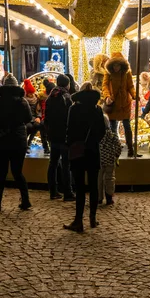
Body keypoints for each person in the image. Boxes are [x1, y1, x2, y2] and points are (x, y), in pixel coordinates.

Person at [64, 82, 106, 232]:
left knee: (80, 187)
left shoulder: (74, 109)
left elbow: (69, 129)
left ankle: (78, 220)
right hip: (93, 150)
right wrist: (93, 141)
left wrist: (72, 143)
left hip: (78, 151)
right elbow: (102, 130)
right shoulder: (97, 110)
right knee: (93, 185)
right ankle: (93, 218)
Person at [0, 74, 32, 212]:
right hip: (18, 140)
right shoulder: (22, 102)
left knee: (1, 172)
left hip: (2, 140)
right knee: (17, 172)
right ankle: (25, 201)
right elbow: (28, 119)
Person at [44, 74, 75, 201]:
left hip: (53, 135)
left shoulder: (50, 97)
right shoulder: (67, 97)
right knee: (66, 164)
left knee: (53, 163)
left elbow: (47, 117)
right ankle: (68, 192)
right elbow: (70, 118)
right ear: (67, 84)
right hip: (64, 135)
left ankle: (53, 191)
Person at [102, 52, 136, 157]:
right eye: (114, 65)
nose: (116, 67)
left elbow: (130, 86)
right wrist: (107, 96)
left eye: (118, 65)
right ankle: (114, 148)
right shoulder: (108, 73)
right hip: (113, 103)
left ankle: (130, 148)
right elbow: (105, 85)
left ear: (122, 65)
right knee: (113, 126)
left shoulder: (127, 73)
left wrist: (134, 94)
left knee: (127, 126)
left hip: (125, 103)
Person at [98, 114, 122, 206]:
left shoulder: (97, 135)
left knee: (99, 179)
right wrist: (116, 155)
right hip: (110, 159)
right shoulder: (112, 135)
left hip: (99, 159)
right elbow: (118, 146)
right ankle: (109, 197)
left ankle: (99, 198)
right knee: (110, 178)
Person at [23, 78, 50, 155]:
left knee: (39, 126)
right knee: (29, 127)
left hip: (35, 118)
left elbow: (39, 110)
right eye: (30, 93)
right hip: (27, 119)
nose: (31, 95)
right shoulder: (24, 100)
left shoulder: (36, 99)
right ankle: (26, 145)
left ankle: (31, 143)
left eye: (32, 93)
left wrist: (38, 117)